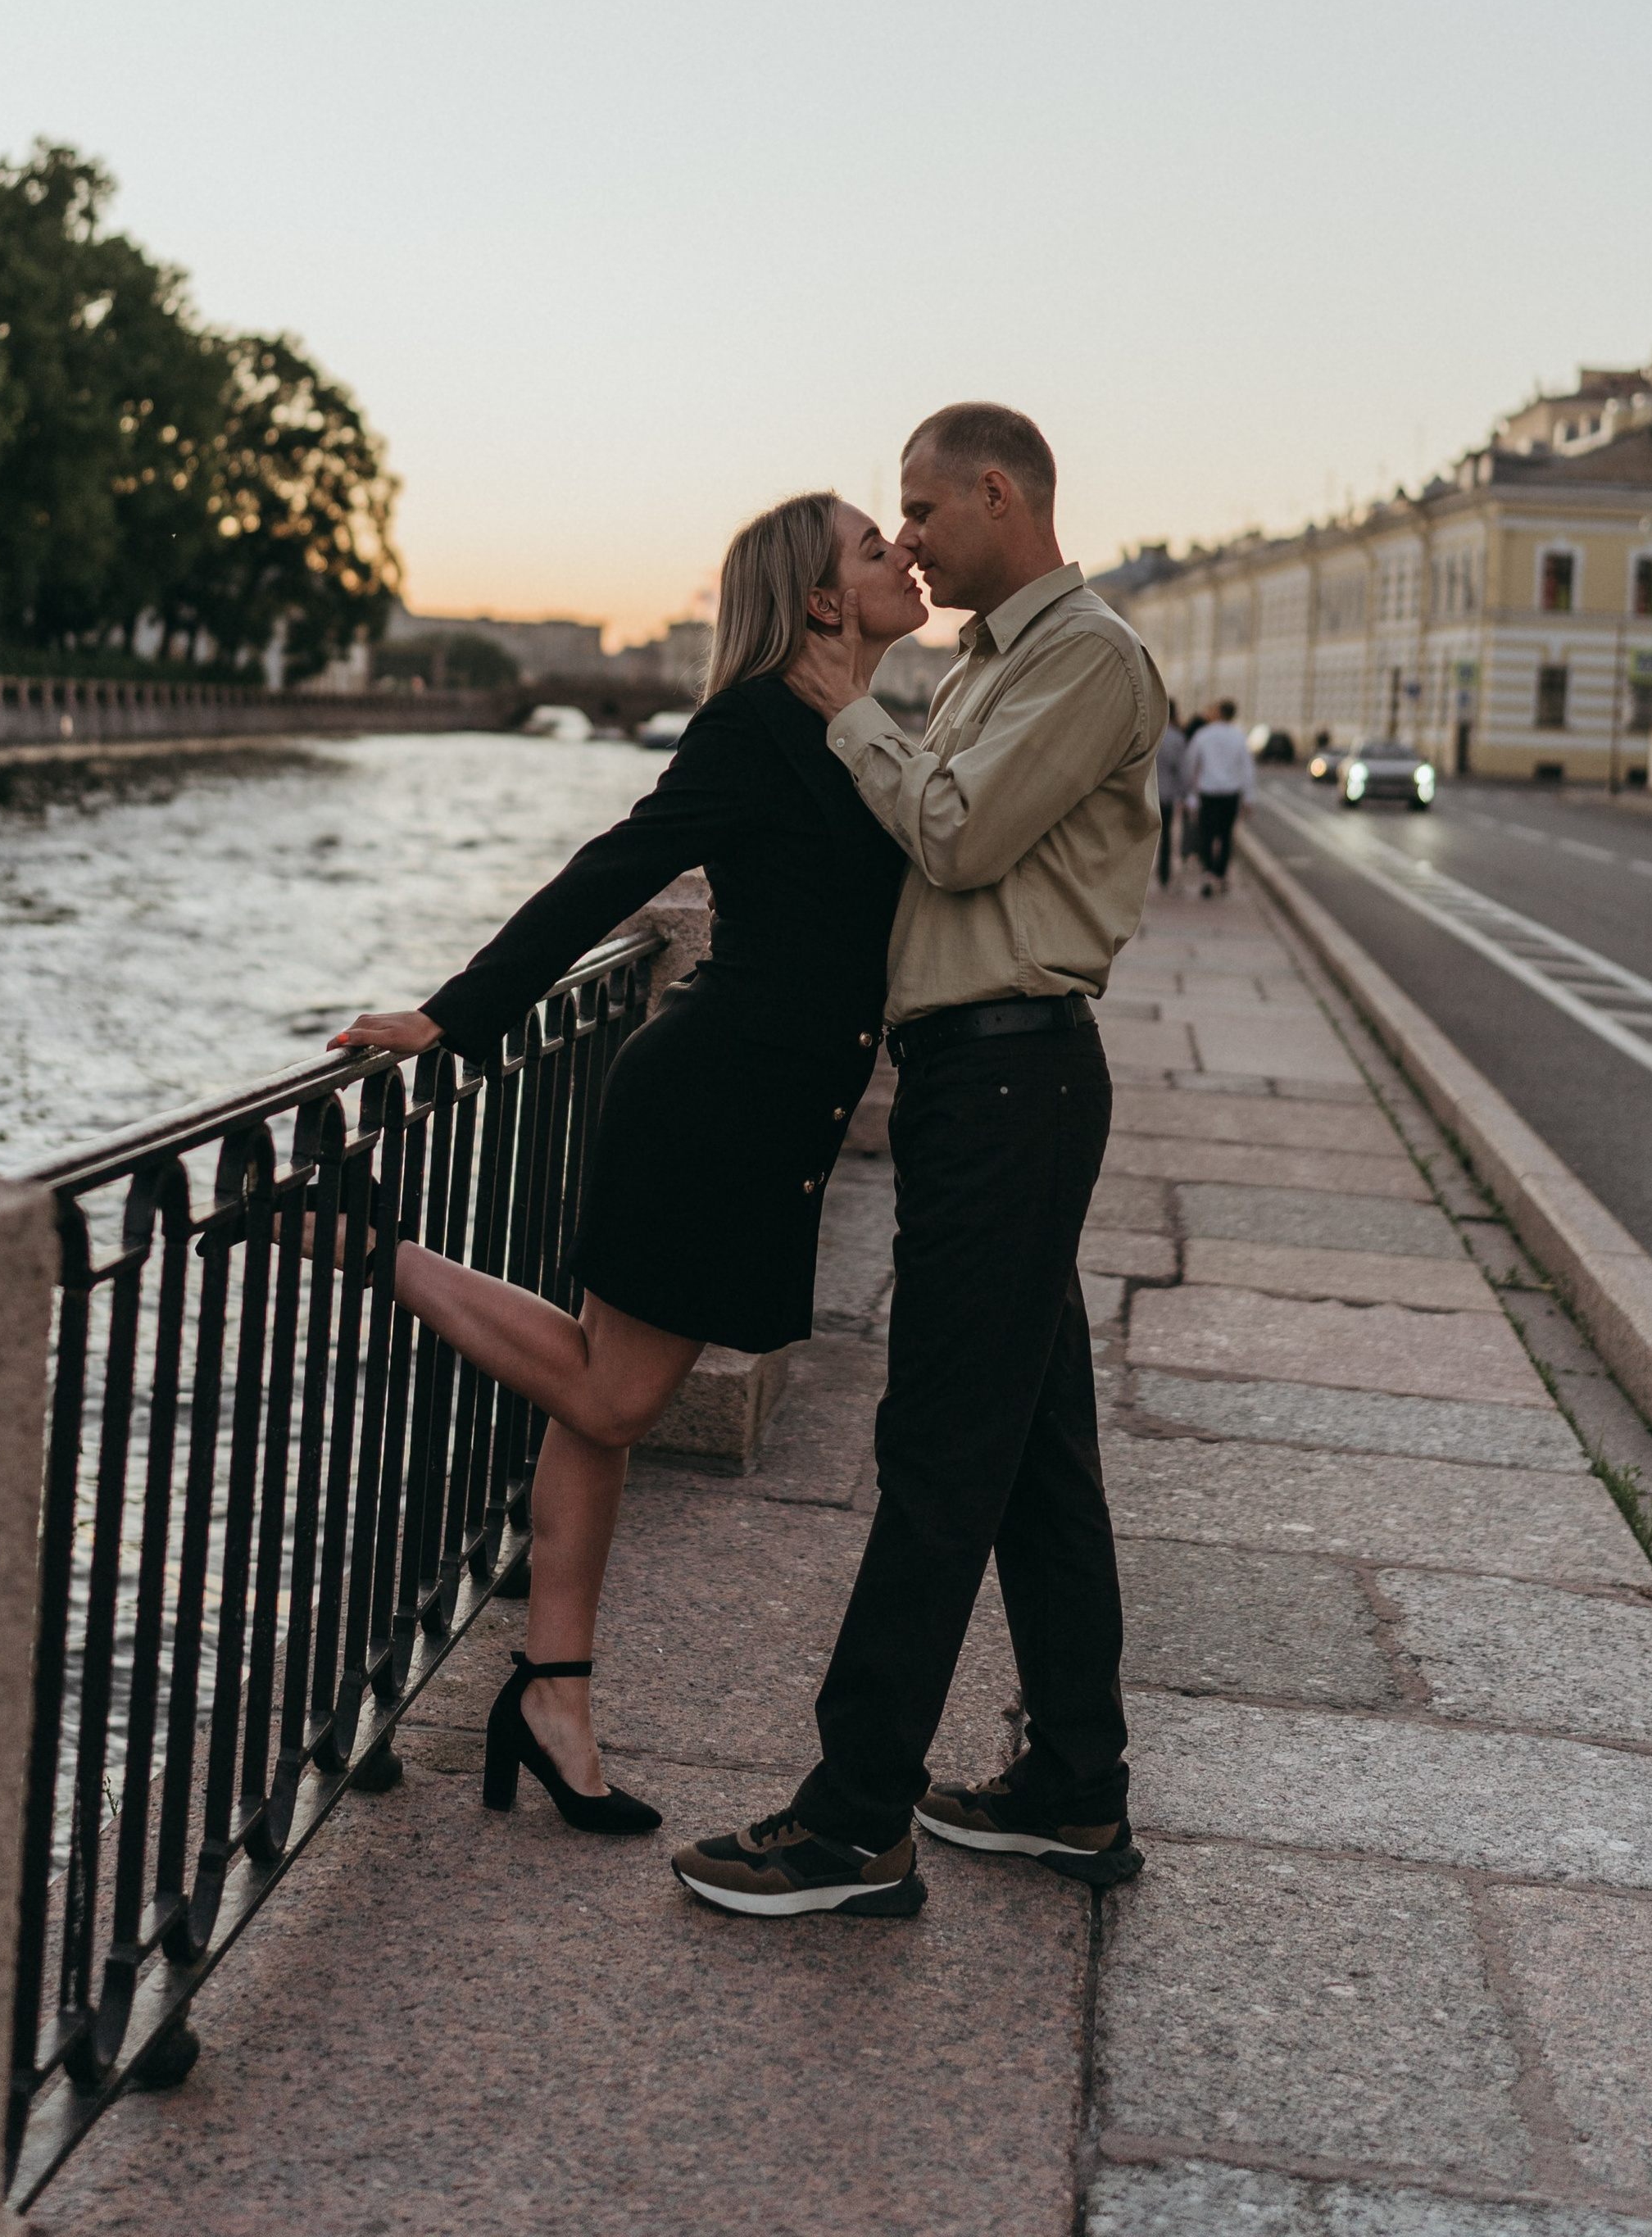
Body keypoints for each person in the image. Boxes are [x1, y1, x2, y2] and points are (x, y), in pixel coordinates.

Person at [329, 492, 922, 1836]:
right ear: (821, 598)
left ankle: (556, 1696)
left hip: (765, 1117)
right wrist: (453, 1016)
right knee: (611, 1395)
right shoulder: (753, 723)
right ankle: (365, 1246)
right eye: (874, 547)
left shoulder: (863, 731)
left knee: (595, 1404)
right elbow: (615, 869)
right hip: (709, 1106)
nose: (904, 555)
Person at [669, 402, 1165, 1922]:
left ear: (998, 495)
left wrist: (844, 707)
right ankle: (1075, 1783)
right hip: (980, 1080)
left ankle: (853, 1820)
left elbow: (953, 838)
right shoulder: (986, 666)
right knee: (1035, 1456)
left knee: (940, 1451)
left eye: (924, 513)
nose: (909, 541)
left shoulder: (1086, 658)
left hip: (1013, 1080)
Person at [1183, 697, 1254, 895]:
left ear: (1219, 713)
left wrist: (1191, 795)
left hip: (1208, 792)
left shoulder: (1203, 735)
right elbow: (1247, 768)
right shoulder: (1239, 737)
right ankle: (1221, 874)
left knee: (1206, 834)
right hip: (1230, 794)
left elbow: (1191, 765)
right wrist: (1249, 798)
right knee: (1225, 835)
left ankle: (1208, 873)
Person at [1154, 702, 1189, 888]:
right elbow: (1182, 769)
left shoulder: (1150, 732)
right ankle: (1164, 874)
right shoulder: (1177, 738)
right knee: (1166, 834)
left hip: (1146, 792)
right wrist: (1183, 794)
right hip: (1166, 794)